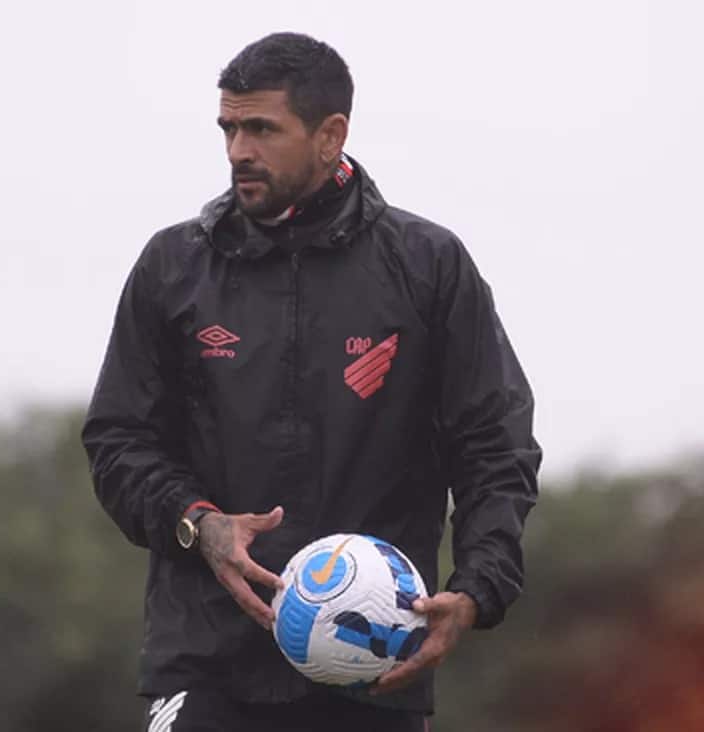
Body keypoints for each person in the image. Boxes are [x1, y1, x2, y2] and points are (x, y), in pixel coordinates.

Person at [82, 32, 541, 732]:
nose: (238, 150)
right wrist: (196, 522)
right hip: (206, 664)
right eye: (229, 128)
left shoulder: (428, 266)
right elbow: (118, 440)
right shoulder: (173, 266)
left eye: (261, 128)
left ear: (332, 136)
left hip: (374, 667)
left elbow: (494, 448)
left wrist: (478, 588)